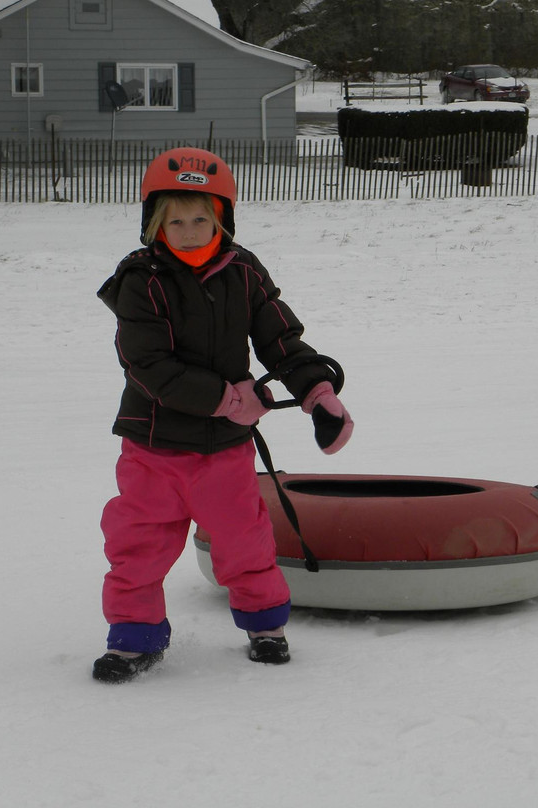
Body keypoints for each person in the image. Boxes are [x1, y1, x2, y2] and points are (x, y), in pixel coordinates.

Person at [93, 147, 353, 684]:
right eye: (176, 220)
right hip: (153, 447)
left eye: (202, 219)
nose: (189, 231)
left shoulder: (244, 272)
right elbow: (148, 364)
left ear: (222, 218)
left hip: (224, 451)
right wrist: (231, 400)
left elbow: (280, 337)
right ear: (154, 222)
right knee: (137, 544)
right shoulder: (141, 279)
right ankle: (133, 638)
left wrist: (317, 391)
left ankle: (265, 626)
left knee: (244, 539)